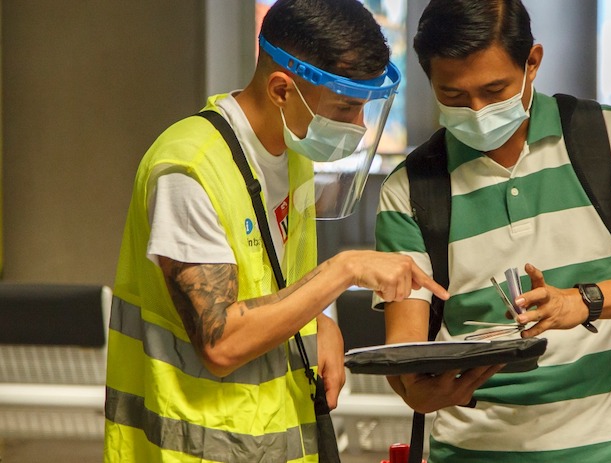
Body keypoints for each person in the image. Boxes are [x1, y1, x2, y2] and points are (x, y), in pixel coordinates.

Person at [103, 1, 447, 461]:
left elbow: (273, 283)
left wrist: (320, 321)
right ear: (282, 89)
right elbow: (221, 342)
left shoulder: (294, 156)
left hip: (274, 442)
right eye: (345, 107)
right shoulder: (189, 169)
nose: (358, 127)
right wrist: (344, 270)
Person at [375, 1, 611, 461]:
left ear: (532, 63)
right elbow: (405, 347)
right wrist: (417, 391)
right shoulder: (410, 188)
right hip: (475, 450)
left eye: (494, 90)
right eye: (453, 96)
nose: (477, 110)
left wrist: (578, 301)